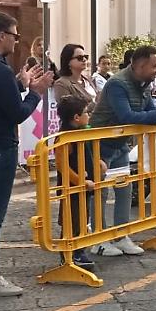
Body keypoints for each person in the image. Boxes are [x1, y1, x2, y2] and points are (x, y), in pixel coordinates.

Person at [0, 12, 55, 296]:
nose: (17, 40)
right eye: (15, 35)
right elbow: (17, 113)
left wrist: (19, 82)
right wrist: (36, 92)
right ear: (2, 35)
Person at [89, 45, 156, 256]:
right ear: (140, 65)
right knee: (100, 192)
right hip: (100, 145)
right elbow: (127, 116)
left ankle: (121, 236)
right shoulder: (117, 84)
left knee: (124, 190)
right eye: (155, 66)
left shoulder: (144, 83)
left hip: (120, 145)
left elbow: (150, 111)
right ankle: (99, 240)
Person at [56, 94, 101, 271]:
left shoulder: (80, 133)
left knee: (83, 220)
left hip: (83, 188)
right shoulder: (65, 137)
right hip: (72, 190)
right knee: (71, 221)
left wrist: (98, 163)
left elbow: (87, 154)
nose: (88, 116)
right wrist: (80, 180)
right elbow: (61, 165)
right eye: (85, 113)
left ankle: (79, 251)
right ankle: (69, 255)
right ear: (76, 117)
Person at [53, 44, 98, 112]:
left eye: (85, 57)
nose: (84, 60)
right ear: (68, 61)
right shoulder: (61, 83)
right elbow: (67, 109)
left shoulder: (88, 79)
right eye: (79, 58)